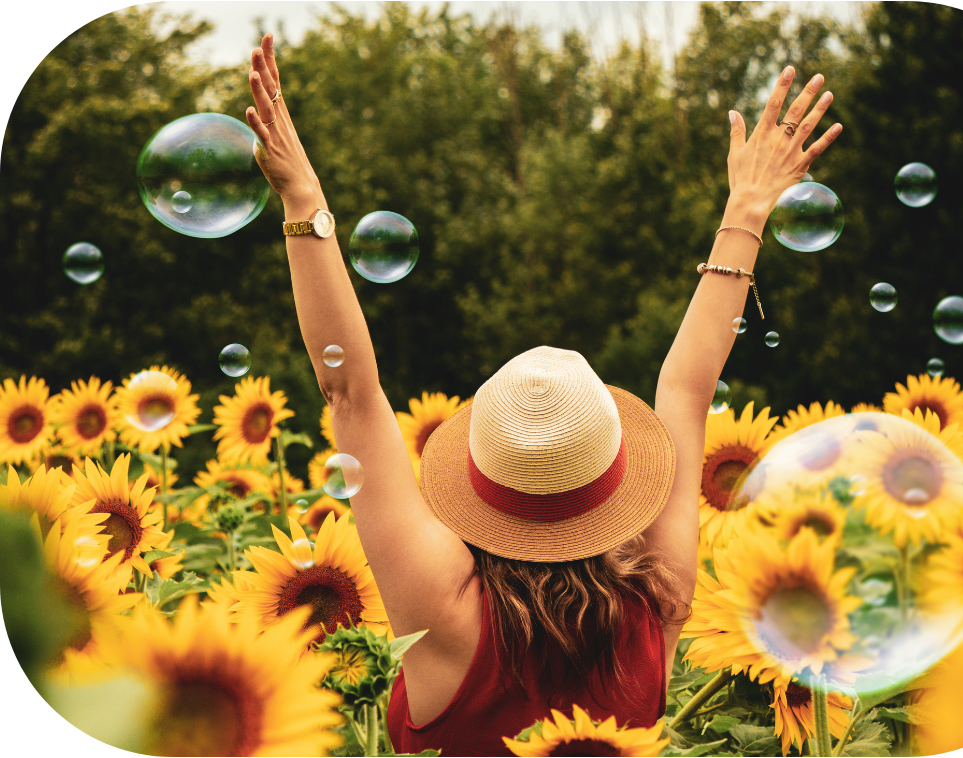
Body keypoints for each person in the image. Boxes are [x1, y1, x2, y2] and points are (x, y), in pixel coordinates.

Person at [243, 32, 841, 756]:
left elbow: (351, 395)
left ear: (481, 479)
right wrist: (746, 209)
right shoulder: (657, 605)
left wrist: (304, 200)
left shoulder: (444, 612)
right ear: (613, 479)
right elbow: (685, 391)